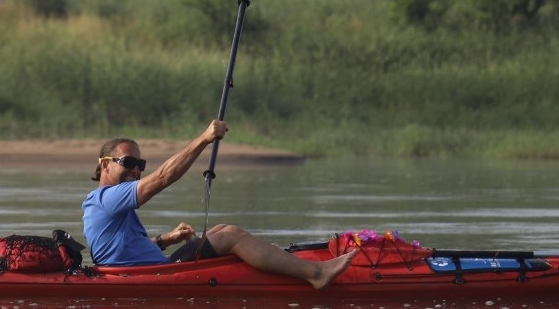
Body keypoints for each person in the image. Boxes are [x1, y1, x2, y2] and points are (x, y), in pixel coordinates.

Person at [83, 120, 355, 290]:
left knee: (221, 229)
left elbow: (121, 248)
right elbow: (164, 176)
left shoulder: (102, 203)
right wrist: (203, 139)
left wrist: (166, 239)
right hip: (150, 275)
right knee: (230, 235)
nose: (136, 170)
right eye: (128, 163)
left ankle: (289, 265)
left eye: (140, 165)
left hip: (149, 265)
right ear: (105, 164)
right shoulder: (107, 198)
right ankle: (316, 273)